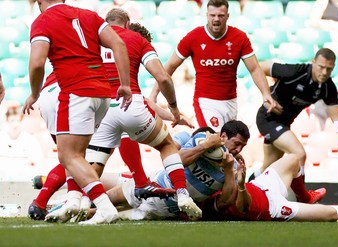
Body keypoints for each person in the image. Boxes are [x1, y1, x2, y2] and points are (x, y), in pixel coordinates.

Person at [44, 8, 203, 223]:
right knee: (166, 145)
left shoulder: (92, 40)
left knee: (90, 162)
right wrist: (174, 108)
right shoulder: (136, 39)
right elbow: (163, 78)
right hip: (130, 103)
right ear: (128, 24)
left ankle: (81, 202)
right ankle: (182, 193)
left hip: (100, 107)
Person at [23, 0, 133, 225]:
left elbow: (36, 63)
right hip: (102, 93)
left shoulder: (42, 21)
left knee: (67, 156)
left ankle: (104, 207)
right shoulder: (88, 15)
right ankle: (73, 202)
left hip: (75, 92)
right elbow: (119, 45)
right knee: (78, 156)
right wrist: (125, 84)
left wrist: (34, 93)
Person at [149, 0, 279, 132]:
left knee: (227, 145)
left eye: (221, 16)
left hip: (231, 101)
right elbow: (170, 66)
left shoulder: (239, 38)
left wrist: (265, 93)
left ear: (227, 16)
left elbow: (254, 68)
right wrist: (154, 94)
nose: (216, 19)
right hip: (205, 102)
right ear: (206, 15)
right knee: (215, 142)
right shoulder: (194, 37)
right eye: (212, 15)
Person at [252, 48, 338, 204]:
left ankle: (249, 187)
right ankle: (304, 199)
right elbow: (259, 67)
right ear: (313, 63)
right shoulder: (296, 71)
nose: (324, 72)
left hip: (284, 124)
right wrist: (267, 95)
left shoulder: (328, 87)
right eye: (321, 67)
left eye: (329, 69)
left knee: (267, 166)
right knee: (299, 154)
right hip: (268, 118)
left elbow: (336, 115)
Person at [108, 120, 250, 220]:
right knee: (106, 199)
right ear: (223, 136)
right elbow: (175, 160)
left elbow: (226, 201)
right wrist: (205, 146)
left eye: (242, 146)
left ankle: (90, 207)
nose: (238, 150)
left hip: (164, 209)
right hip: (154, 183)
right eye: (237, 144)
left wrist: (229, 169)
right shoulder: (200, 139)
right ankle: (89, 197)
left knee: (108, 215)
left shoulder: (234, 167)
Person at [201, 154, 338, 222]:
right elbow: (243, 207)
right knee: (332, 214)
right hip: (272, 207)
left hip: (260, 185)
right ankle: (302, 203)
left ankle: (305, 198)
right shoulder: (210, 204)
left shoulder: (208, 179)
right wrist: (242, 185)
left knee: (292, 159)